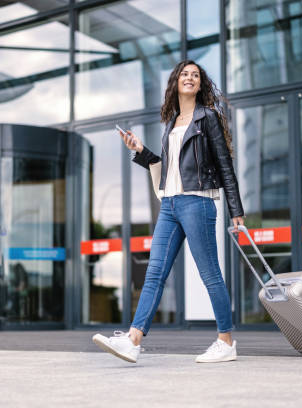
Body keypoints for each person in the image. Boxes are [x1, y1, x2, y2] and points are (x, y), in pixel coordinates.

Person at [92, 60, 244, 364]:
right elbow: (168, 167)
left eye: (195, 75)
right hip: (171, 205)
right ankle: (133, 341)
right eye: (184, 74)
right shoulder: (172, 122)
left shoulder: (208, 118)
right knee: (154, 273)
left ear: (200, 85)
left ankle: (226, 342)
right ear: (176, 82)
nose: (189, 78)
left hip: (196, 202)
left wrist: (236, 209)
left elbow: (225, 165)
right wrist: (139, 149)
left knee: (209, 274)